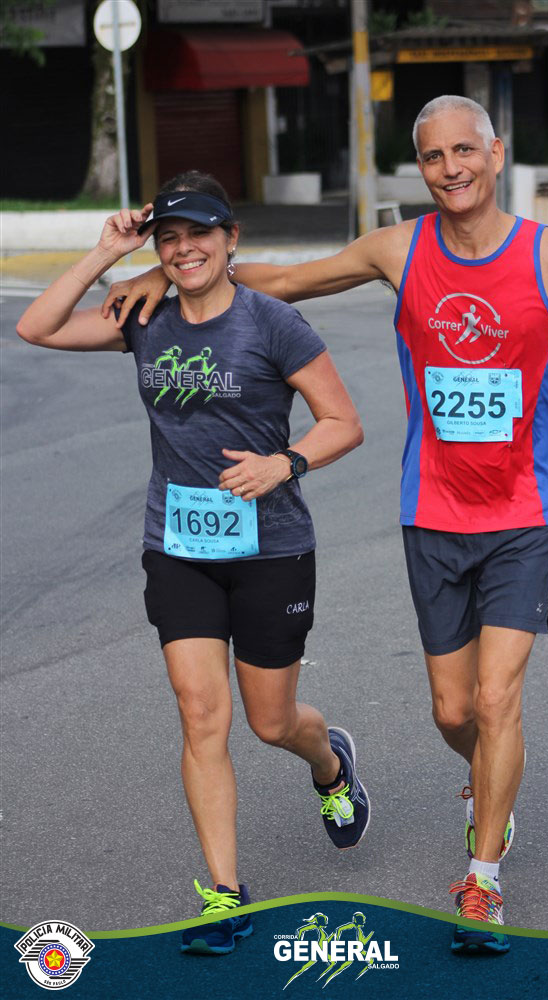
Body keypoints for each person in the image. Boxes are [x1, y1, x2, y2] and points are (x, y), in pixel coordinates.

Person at [103, 97, 548, 952]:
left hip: (525, 512)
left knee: (496, 698)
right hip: (432, 511)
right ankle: (488, 781)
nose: (450, 168)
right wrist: (166, 276)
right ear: (420, 167)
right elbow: (284, 281)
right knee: (453, 710)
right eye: (433, 156)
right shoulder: (401, 249)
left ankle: (482, 880)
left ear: (495, 153)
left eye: (464, 150)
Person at [16, 170, 370, 956]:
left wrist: (285, 463)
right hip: (178, 546)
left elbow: (343, 422)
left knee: (271, 721)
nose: (183, 250)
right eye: (168, 238)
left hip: (272, 547)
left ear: (230, 238)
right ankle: (223, 895)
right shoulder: (143, 317)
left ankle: (330, 763)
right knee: (201, 714)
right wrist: (106, 252)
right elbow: (36, 327)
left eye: (199, 234)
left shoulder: (272, 323)